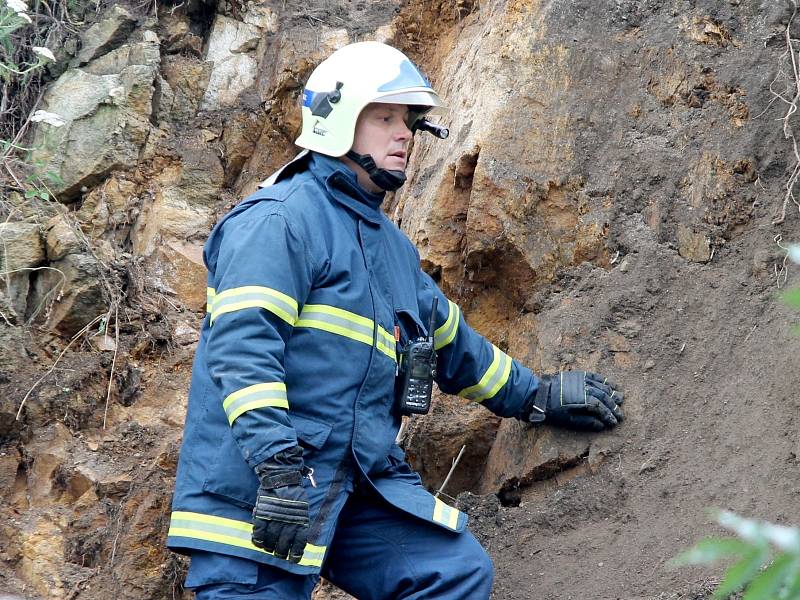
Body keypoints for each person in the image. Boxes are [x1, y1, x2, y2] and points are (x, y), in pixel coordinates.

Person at [166, 41, 624, 599]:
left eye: (407, 121)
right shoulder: (278, 222)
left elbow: (455, 345)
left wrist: (538, 397)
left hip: (351, 486)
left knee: (452, 572)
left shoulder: (391, 252)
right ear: (337, 121)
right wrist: (279, 469)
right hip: (260, 494)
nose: (403, 133)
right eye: (384, 118)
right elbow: (243, 353)